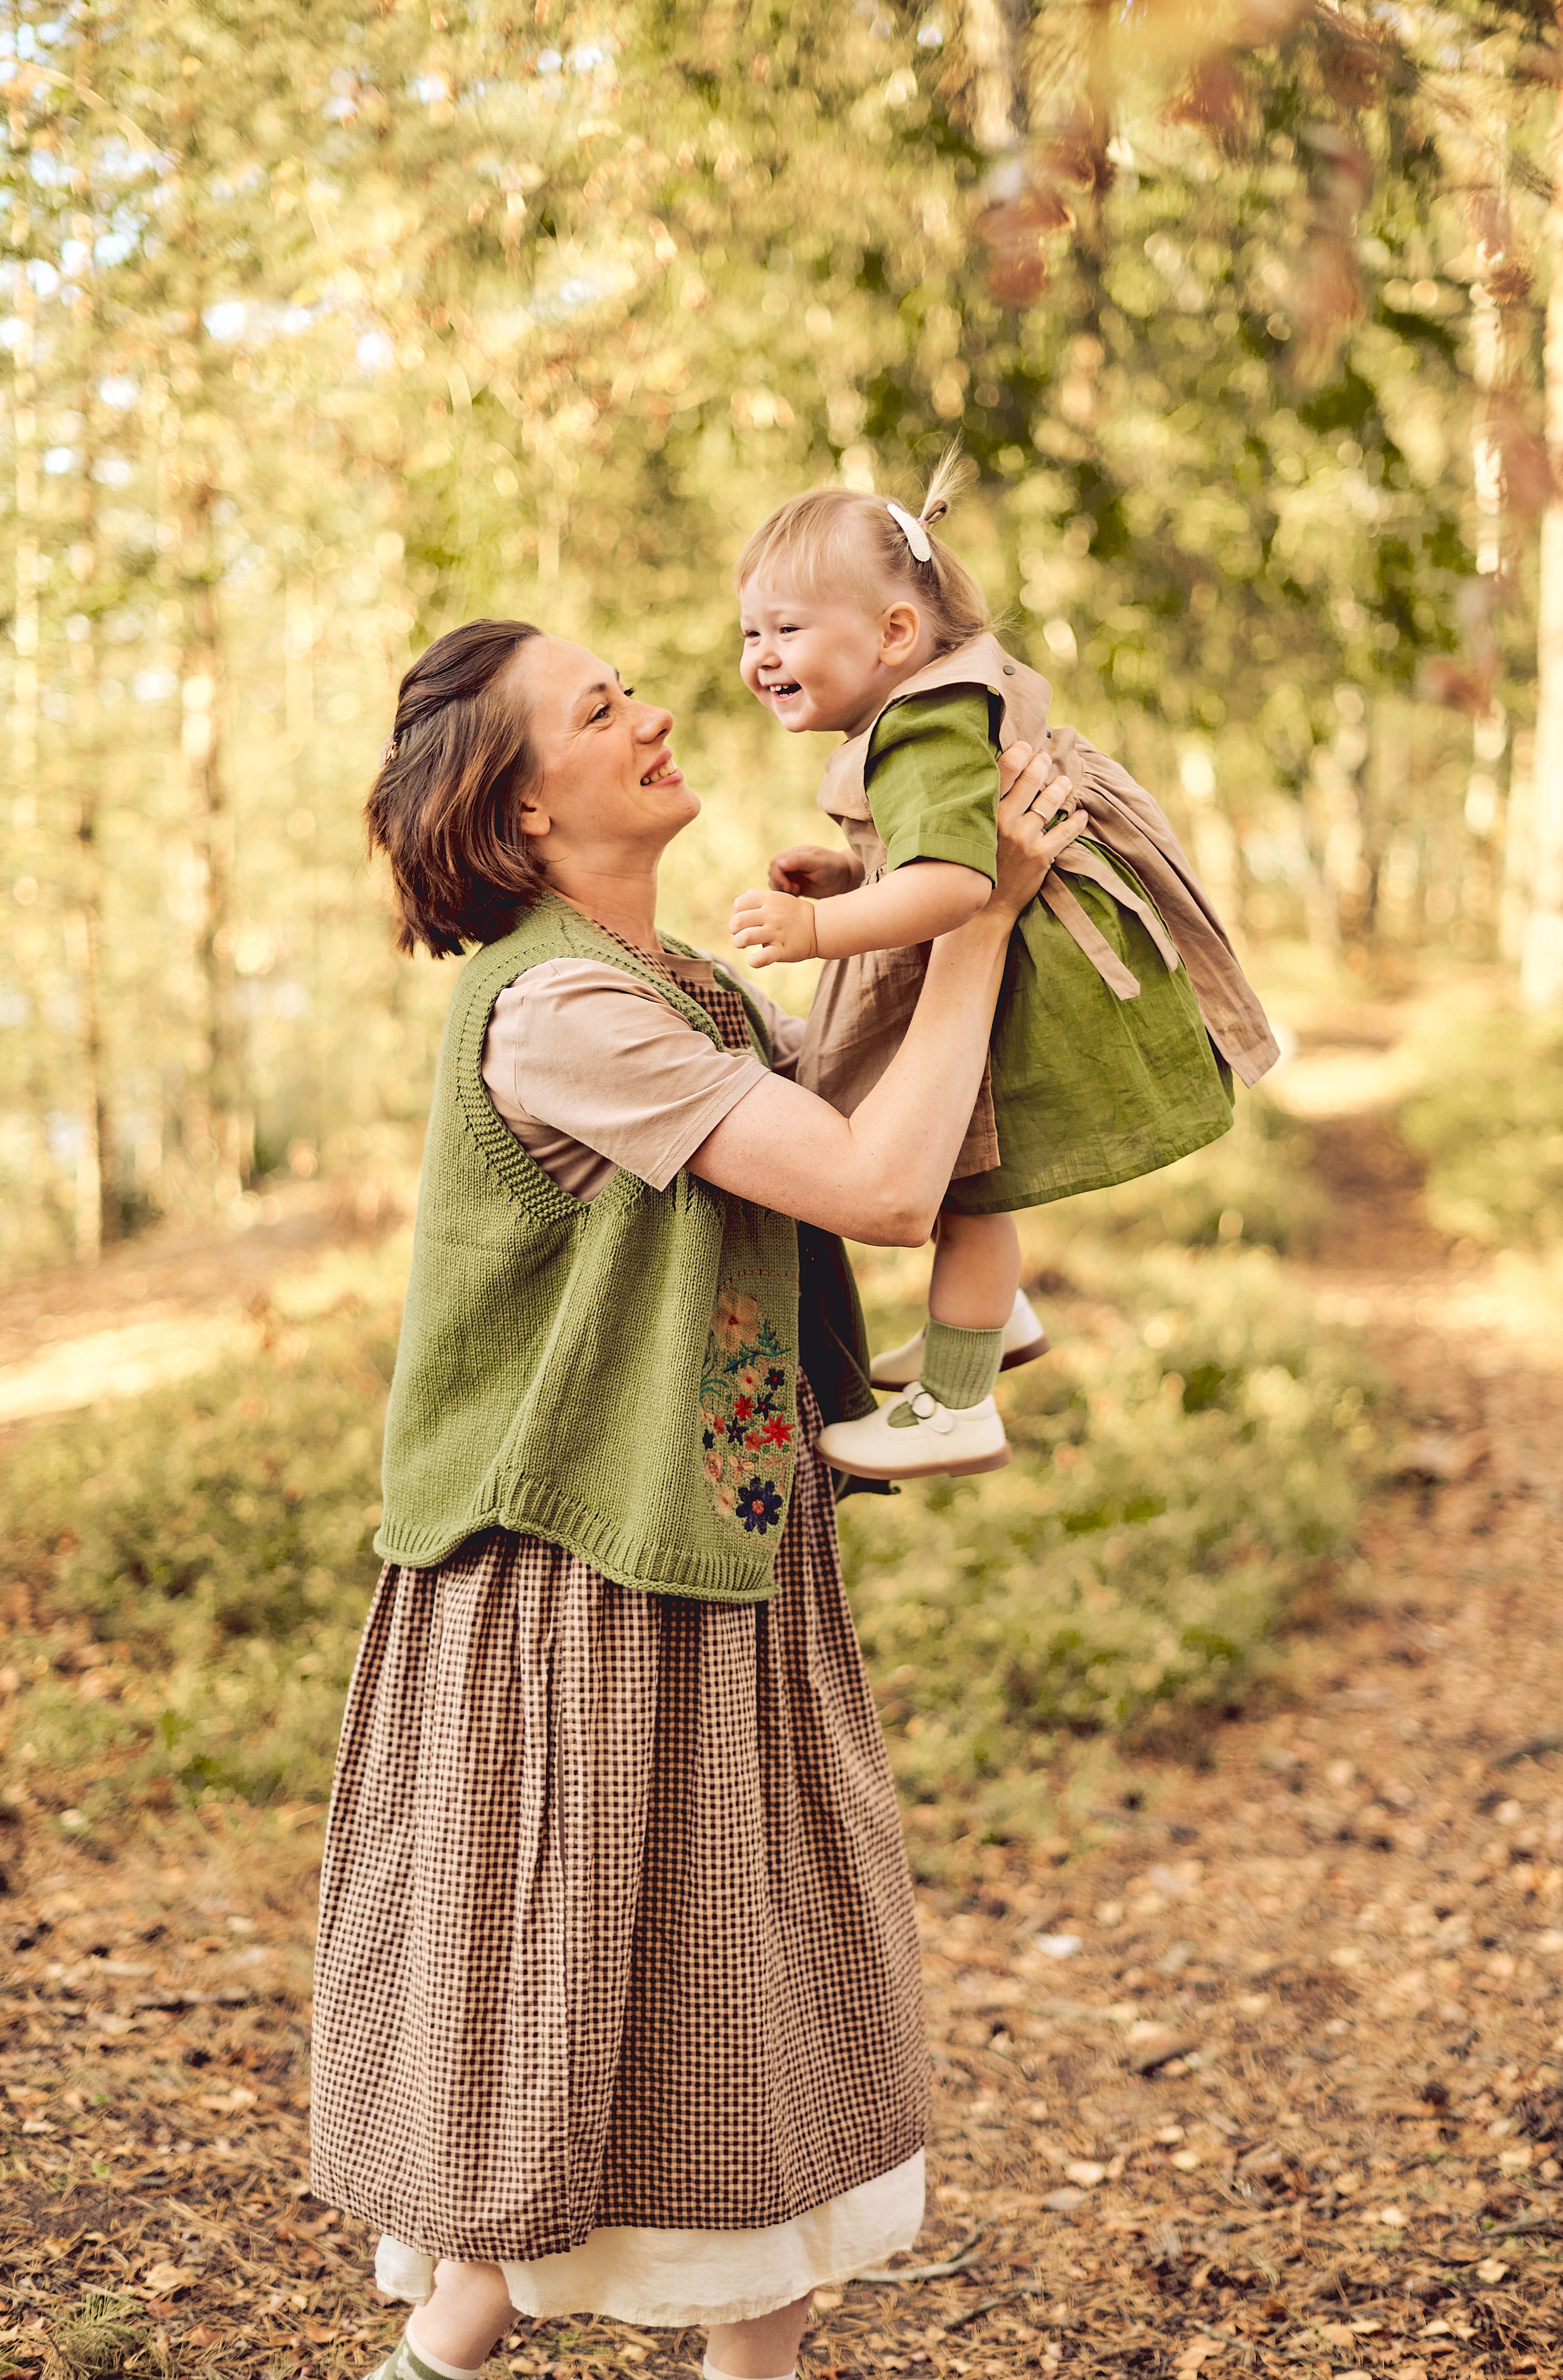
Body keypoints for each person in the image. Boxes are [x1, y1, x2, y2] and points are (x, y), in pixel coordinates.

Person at [310, 617, 1087, 2380]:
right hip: (573, 1581)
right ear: (517, 821)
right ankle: (473, 2323)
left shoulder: (686, 993)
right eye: (601, 711)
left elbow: (865, 1113)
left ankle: (476, 2323)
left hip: (703, 1549)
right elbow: (882, 1188)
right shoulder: (562, 1010)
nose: (657, 712)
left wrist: (903, 898)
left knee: (706, 1976)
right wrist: (976, 923)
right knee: (610, 1969)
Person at [730, 453, 1278, 1483]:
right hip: (1032, 944)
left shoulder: (924, 726)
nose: (761, 657)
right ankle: (987, 1318)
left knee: (966, 1179)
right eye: (751, 633)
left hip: (1025, 960)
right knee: (966, 1169)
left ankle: (957, 1402)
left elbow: (949, 889)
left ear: (896, 633)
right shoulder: (934, 705)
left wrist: (823, 927)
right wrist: (856, 867)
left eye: (787, 629)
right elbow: (949, 847)